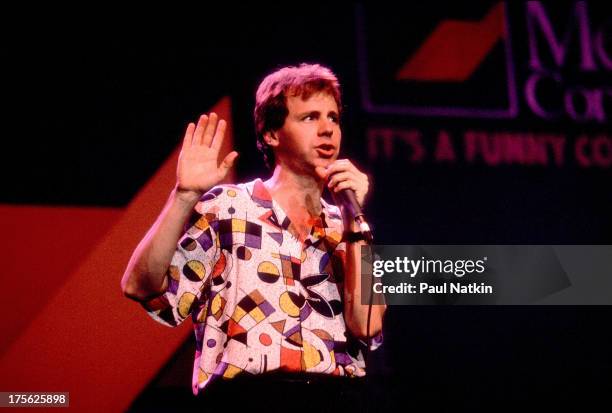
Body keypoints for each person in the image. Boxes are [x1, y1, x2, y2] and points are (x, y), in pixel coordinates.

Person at [121, 63, 386, 406]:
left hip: (335, 396)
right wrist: (184, 196)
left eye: (333, 118)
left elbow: (366, 325)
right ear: (272, 135)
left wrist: (354, 223)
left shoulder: (348, 227)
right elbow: (139, 286)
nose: (327, 130)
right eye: (310, 118)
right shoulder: (228, 206)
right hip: (248, 397)